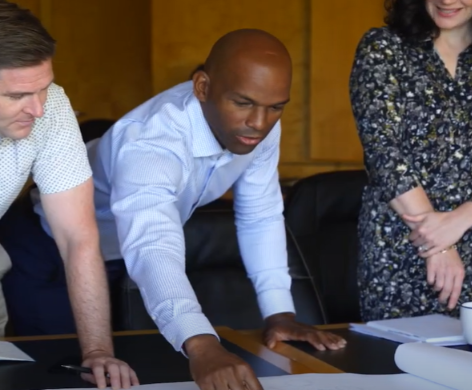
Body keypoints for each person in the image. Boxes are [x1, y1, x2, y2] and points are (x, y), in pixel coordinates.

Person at [13, 28, 346, 390]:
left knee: (124, 371)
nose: (260, 123)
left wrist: (279, 311)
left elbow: (259, 213)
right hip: (47, 250)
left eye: (276, 107)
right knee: (65, 376)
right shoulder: (149, 139)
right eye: (243, 103)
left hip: (121, 260)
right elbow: (152, 245)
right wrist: (202, 344)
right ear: (202, 87)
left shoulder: (258, 126)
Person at [350, 0, 472, 322]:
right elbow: (382, 149)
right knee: (400, 362)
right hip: (401, 243)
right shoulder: (383, 47)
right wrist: (437, 244)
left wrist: (461, 219)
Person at [0, 2, 138, 389]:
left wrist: (97, 351)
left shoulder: (51, 108)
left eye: (44, 88)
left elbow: (78, 236)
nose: (39, 109)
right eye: (19, 95)